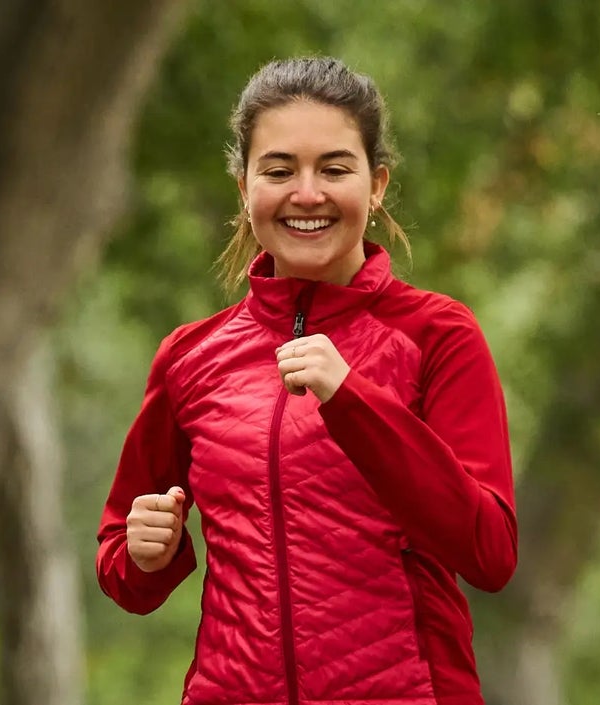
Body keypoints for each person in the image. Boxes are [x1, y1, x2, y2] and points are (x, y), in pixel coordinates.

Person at [94, 56, 518, 705]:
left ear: (377, 184)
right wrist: (146, 553)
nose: (308, 193)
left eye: (335, 169)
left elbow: (489, 552)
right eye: (280, 169)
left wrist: (352, 399)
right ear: (244, 187)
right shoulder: (190, 357)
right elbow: (124, 569)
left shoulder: (438, 335)